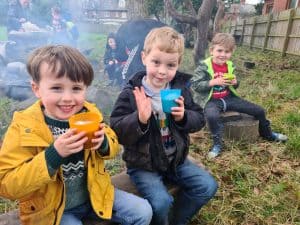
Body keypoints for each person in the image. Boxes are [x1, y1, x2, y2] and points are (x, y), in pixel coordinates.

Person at [0, 45, 152, 225]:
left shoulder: (90, 114)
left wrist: (103, 143)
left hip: (94, 194)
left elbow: (113, 146)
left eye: (76, 88)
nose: (68, 98)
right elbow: (7, 185)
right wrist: (53, 155)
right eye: (56, 88)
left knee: (143, 211)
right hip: (52, 208)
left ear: (85, 89)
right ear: (36, 89)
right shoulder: (24, 127)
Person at [110, 27, 218, 225]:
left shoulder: (180, 89)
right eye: (156, 62)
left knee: (207, 185)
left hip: (174, 160)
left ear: (178, 64)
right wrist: (139, 119)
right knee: (161, 202)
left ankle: (177, 220)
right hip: (144, 164)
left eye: (170, 65)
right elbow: (116, 129)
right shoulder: (131, 93)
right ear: (144, 58)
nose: (162, 71)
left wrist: (184, 117)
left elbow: (199, 118)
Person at [191, 33, 288, 159]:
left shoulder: (229, 65)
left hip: (228, 98)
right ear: (211, 51)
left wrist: (235, 82)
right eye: (219, 50)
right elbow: (195, 85)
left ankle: (268, 134)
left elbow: (234, 86)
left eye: (227, 52)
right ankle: (217, 144)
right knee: (212, 116)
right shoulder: (204, 66)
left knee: (259, 110)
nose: (223, 54)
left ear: (232, 52)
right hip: (211, 100)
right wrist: (213, 82)